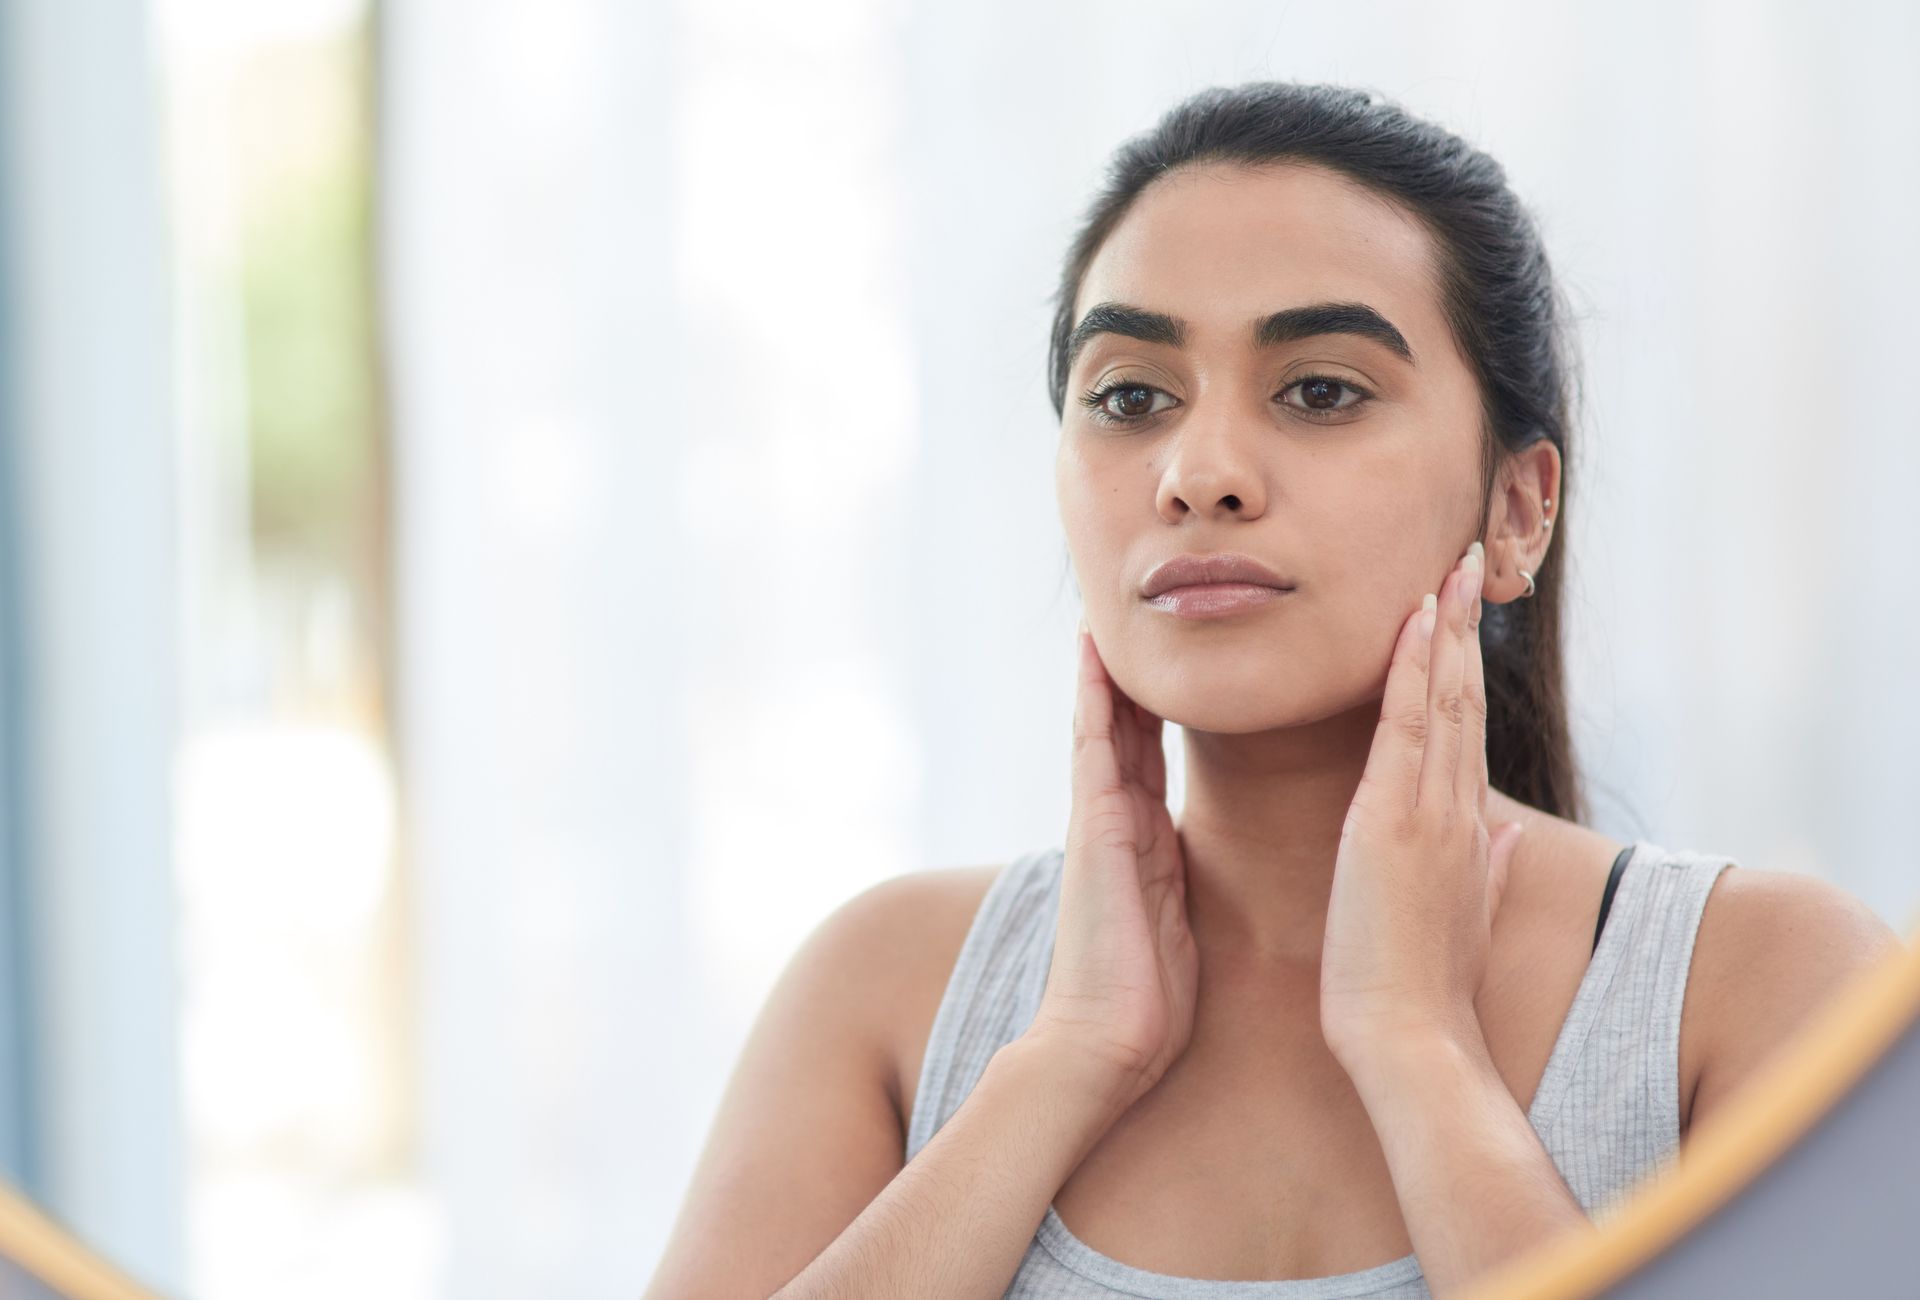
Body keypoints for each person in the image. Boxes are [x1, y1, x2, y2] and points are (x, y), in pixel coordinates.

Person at [646, 81, 1902, 1300]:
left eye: (1321, 390)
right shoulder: (887, 987)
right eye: (1132, 396)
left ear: (1517, 511)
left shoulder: (1767, 985)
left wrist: (1420, 1049)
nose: (1199, 474)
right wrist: (1066, 1058)